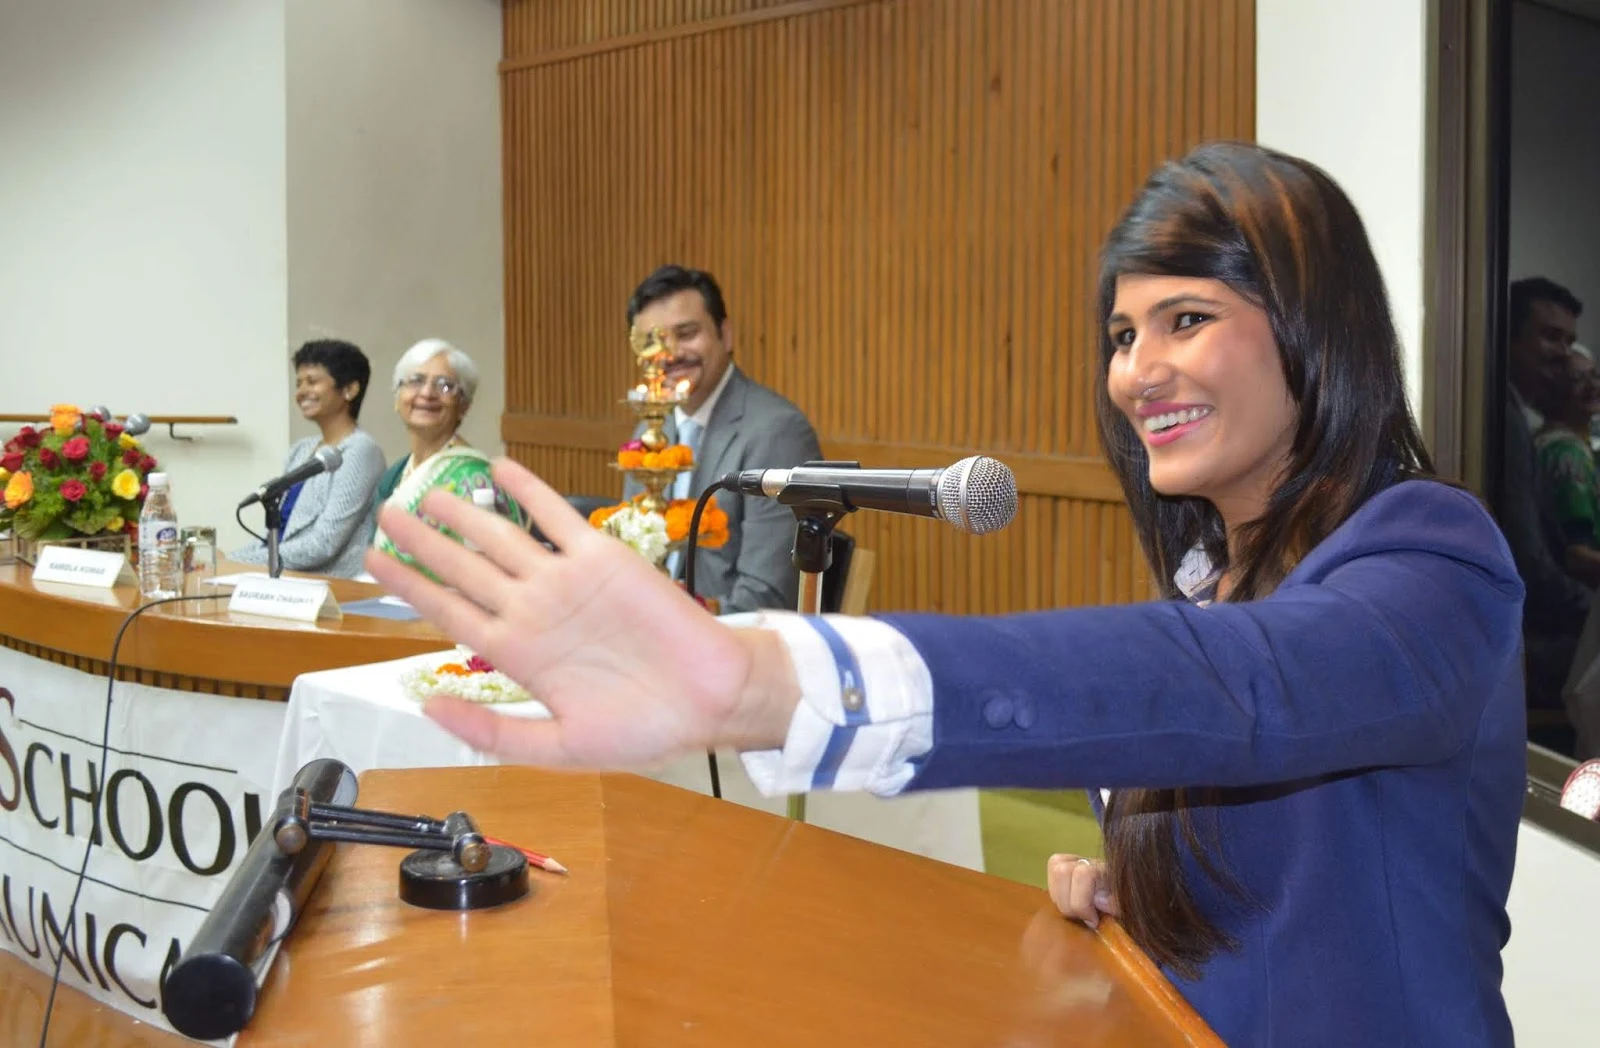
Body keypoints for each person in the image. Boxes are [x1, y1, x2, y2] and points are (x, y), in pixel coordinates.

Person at [366, 143, 1525, 1047]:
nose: (1136, 370)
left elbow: (1241, 685)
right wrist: (1153, 886)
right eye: (1122, 332)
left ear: (1314, 335)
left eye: (1188, 320)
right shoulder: (1213, 570)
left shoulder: (1430, 553)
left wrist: (768, 679)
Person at [621, 265, 822, 613]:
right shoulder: (652, 429)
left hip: (731, 648)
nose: (670, 354)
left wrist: (672, 612)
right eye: (654, 341)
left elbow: (767, 599)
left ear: (725, 334)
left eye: (686, 333)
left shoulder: (776, 432)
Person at [1499, 277, 1590, 738]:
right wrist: (1594, 610)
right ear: (1509, 336)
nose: (1563, 353)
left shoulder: (1517, 416)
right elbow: (1527, 564)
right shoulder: (1506, 420)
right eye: (1550, 336)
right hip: (1522, 643)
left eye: (1569, 341)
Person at [230, 339, 385, 577]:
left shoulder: (361, 451)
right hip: (284, 576)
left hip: (330, 585)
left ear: (350, 390)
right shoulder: (301, 450)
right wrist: (226, 559)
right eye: (299, 383)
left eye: (312, 382)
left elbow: (323, 544)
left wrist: (239, 561)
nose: (301, 392)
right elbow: (277, 534)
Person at [371, 339, 525, 562]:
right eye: (415, 381)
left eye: (445, 385)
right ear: (398, 398)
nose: (427, 393)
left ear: (463, 406)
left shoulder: (475, 477)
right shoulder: (396, 475)